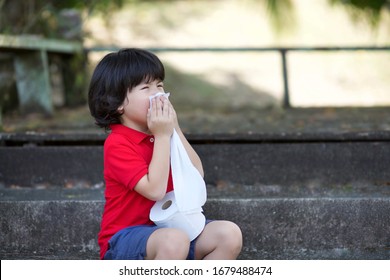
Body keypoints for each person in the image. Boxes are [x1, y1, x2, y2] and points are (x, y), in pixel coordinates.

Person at [88, 48, 242, 260]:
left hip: (173, 227)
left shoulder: (163, 133)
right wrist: (162, 137)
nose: (158, 93)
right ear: (118, 103)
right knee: (174, 240)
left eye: (159, 85)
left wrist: (174, 129)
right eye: (146, 87)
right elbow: (155, 191)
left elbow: (195, 173)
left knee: (228, 234)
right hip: (124, 240)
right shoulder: (118, 143)